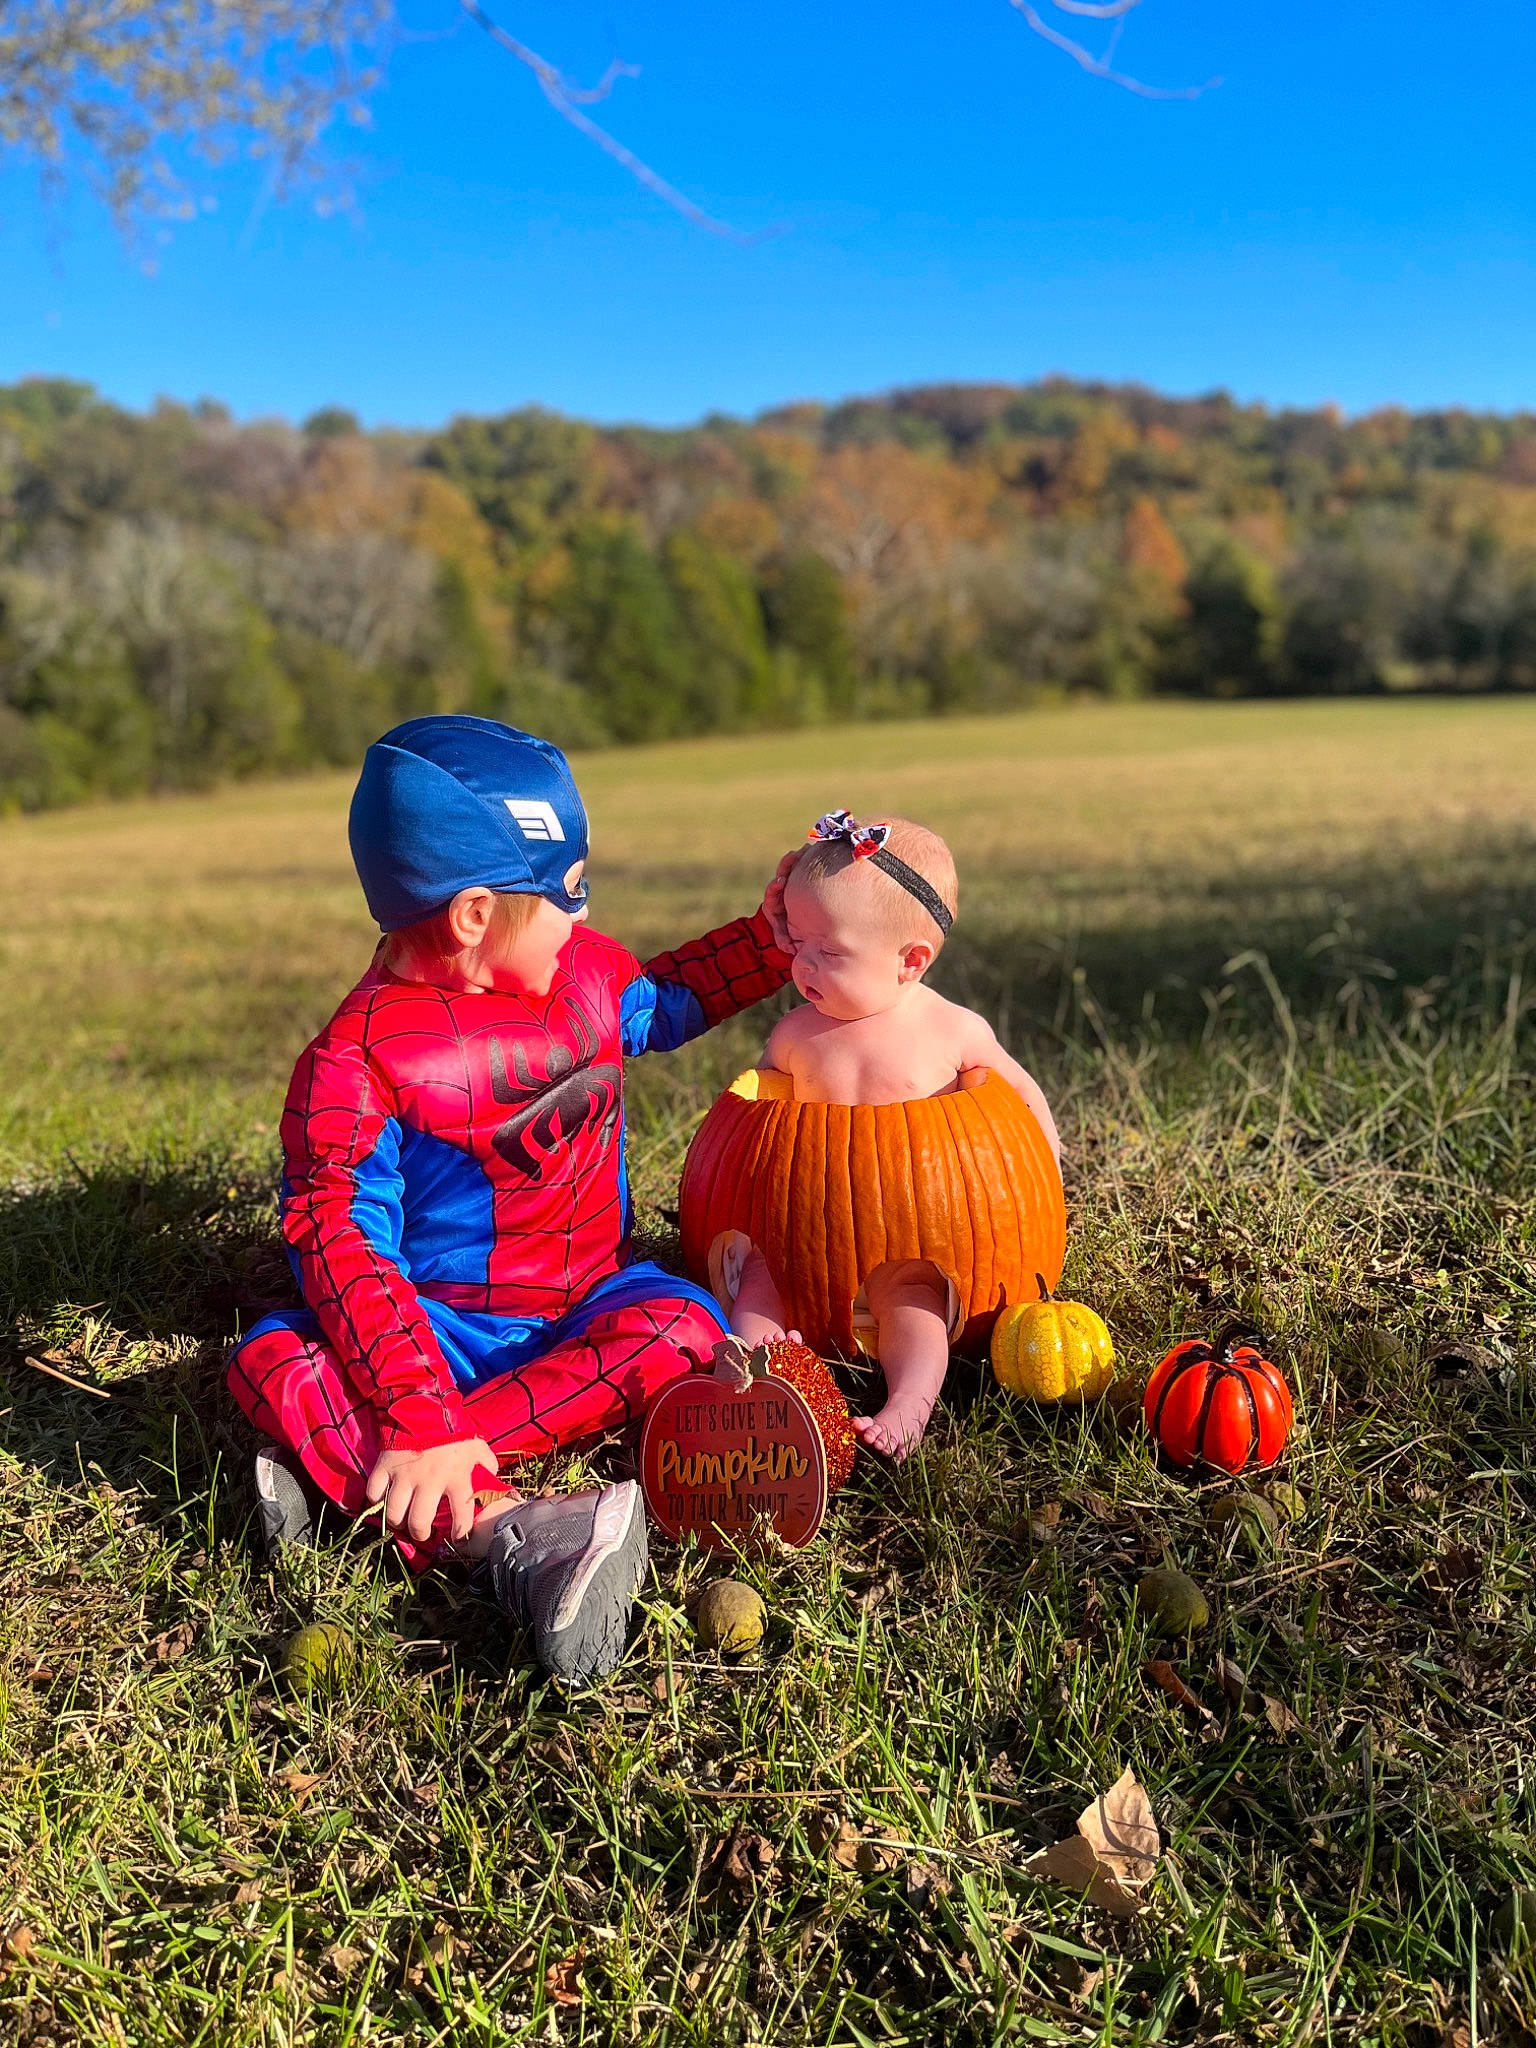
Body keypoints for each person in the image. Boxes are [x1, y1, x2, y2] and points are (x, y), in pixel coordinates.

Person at [228, 716, 792, 1683]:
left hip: (585, 1300)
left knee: (688, 1328)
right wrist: (419, 1403)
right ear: (474, 916)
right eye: (564, 896)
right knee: (270, 1355)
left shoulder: (586, 974)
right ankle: (506, 1532)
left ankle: (370, 1484)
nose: (581, 920)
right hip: (435, 1328)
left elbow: (668, 1000)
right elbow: (339, 1240)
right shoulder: (354, 1063)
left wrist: (771, 944)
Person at [722, 809, 1061, 1459]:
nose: (805, 966)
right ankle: (756, 1373)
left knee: (913, 1303)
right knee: (758, 1278)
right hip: (801, 1226)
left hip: (913, 1233)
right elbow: (750, 1130)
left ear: (910, 961)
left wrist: (1044, 1167)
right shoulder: (795, 1036)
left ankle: (908, 1404)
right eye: (799, 942)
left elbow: (1018, 1096)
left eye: (830, 952)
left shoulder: (950, 1031)